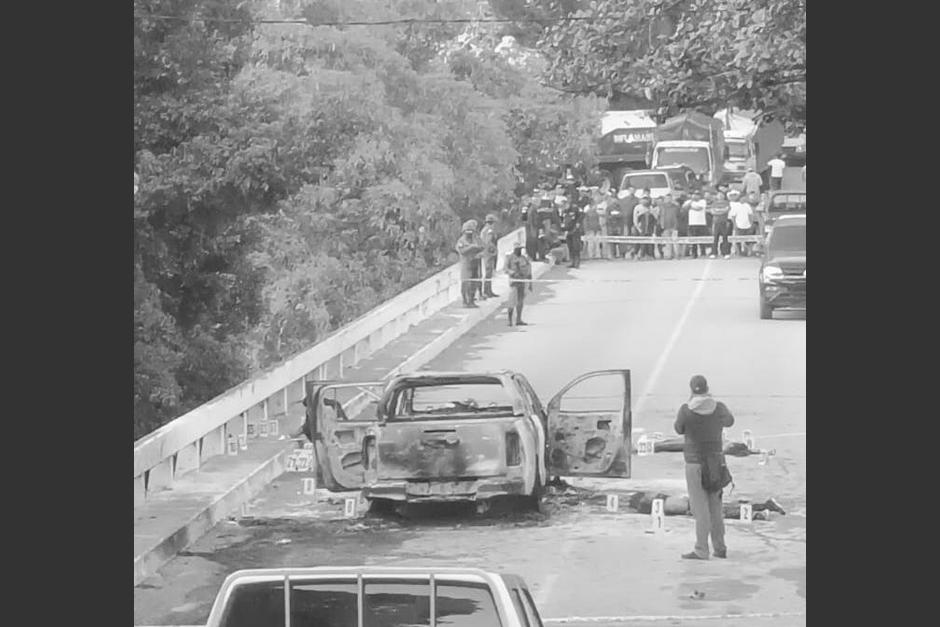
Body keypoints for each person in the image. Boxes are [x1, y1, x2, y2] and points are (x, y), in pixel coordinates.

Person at [674, 375, 735, 560]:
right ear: (708, 388)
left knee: (700, 509)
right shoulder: (719, 407)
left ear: (692, 390)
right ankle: (720, 547)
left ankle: (701, 549)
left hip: (694, 463)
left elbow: (679, 429)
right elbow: (730, 421)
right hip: (715, 462)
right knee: (715, 507)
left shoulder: (686, 410)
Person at [455, 221, 483, 307]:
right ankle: (465, 301)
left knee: (474, 283)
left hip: (475, 263)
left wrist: (479, 253)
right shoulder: (461, 241)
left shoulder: (476, 239)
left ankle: (471, 301)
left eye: (471, 231)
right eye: (468, 231)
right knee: (465, 283)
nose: (470, 233)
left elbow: (482, 246)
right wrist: (472, 247)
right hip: (466, 265)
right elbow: (461, 251)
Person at [506, 242, 533, 326]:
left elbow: (529, 270)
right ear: (514, 249)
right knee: (511, 301)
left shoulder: (524, 258)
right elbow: (505, 268)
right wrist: (513, 273)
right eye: (518, 249)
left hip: (522, 281)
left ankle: (518, 319)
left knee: (520, 301)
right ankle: (510, 320)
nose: (519, 251)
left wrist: (530, 283)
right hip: (514, 282)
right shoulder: (509, 258)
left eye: (520, 249)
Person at [726, 190, 755, 256]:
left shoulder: (747, 205)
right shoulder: (736, 206)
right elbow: (733, 216)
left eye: (745, 198)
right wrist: (735, 225)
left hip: (747, 225)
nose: (744, 199)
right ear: (740, 198)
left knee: (748, 240)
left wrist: (751, 223)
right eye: (742, 198)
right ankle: (738, 252)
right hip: (739, 225)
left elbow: (750, 215)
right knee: (738, 240)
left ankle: (748, 252)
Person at [480, 213, 500, 298]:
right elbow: (488, 242)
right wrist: (493, 251)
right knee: (488, 272)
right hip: (489, 253)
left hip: (486, 253)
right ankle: (487, 291)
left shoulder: (484, 230)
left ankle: (488, 290)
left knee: (489, 272)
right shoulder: (489, 230)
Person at [685, 191, 709, 259]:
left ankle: (703, 253)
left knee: (702, 239)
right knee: (693, 240)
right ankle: (694, 254)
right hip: (692, 223)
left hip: (701, 223)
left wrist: (691, 207)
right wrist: (690, 202)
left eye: (697, 195)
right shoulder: (689, 202)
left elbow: (699, 209)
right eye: (694, 195)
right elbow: (684, 208)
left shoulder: (702, 201)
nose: (696, 196)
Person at [708, 192, 731, 259]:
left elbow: (727, 210)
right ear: (717, 196)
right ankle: (714, 253)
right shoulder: (714, 203)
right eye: (719, 195)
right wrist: (721, 211)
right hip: (716, 223)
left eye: (721, 195)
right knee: (715, 238)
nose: (720, 196)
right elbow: (712, 212)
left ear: (724, 196)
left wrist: (718, 211)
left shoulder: (726, 203)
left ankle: (726, 253)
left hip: (724, 222)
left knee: (725, 238)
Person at [633, 194, 656, 260]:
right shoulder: (637, 207)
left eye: (646, 199)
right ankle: (636, 255)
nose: (645, 201)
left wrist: (652, 212)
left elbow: (654, 218)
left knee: (648, 242)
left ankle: (648, 255)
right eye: (644, 199)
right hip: (639, 227)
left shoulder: (651, 207)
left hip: (648, 228)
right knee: (638, 242)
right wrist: (637, 227)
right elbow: (635, 218)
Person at [659, 193, 680, 260]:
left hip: (674, 226)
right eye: (667, 198)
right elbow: (661, 216)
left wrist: (677, 225)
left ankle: (676, 255)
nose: (668, 200)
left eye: (669, 198)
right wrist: (662, 225)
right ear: (665, 199)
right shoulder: (662, 207)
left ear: (672, 199)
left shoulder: (676, 207)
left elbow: (678, 216)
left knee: (675, 241)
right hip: (666, 226)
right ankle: (669, 255)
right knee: (668, 242)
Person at [563, 201, 584, 268]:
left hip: (575, 231)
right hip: (568, 231)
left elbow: (582, 215)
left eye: (566, 204)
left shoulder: (575, 209)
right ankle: (572, 262)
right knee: (570, 247)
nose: (565, 206)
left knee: (576, 247)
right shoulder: (564, 211)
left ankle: (577, 263)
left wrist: (578, 222)